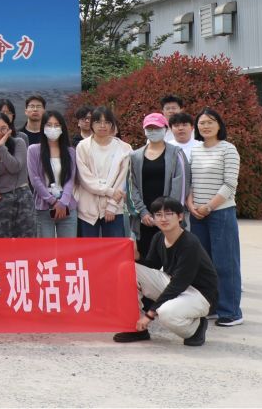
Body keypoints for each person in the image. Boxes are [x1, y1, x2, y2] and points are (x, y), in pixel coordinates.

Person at [114, 198, 218, 347]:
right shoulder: (159, 237)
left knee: (165, 313)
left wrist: (150, 315)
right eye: (158, 214)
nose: (163, 219)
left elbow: (179, 284)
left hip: (199, 294)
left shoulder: (190, 243)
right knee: (127, 268)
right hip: (174, 283)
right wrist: (136, 257)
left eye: (168, 214)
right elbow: (152, 266)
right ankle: (136, 328)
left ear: (180, 216)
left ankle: (196, 327)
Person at [179, 108, 242, 326]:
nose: (205, 126)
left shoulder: (228, 149)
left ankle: (231, 311)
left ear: (219, 125)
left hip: (221, 213)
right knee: (204, 264)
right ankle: (212, 306)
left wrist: (209, 206)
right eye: (202, 123)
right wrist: (190, 204)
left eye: (210, 122)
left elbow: (230, 184)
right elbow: (190, 181)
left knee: (226, 263)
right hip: (198, 214)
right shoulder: (195, 150)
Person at [125, 112, 191, 261]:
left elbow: (181, 185)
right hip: (145, 219)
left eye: (157, 128)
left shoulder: (176, 154)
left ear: (165, 129)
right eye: (150, 129)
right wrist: (143, 213)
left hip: (170, 218)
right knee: (146, 261)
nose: (153, 132)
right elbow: (131, 187)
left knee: (173, 260)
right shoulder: (135, 156)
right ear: (144, 130)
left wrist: (166, 214)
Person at [76, 108, 133, 238]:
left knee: (115, 247)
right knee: (89, 248)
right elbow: (85, 178)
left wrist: (112, 205)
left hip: (114, 207)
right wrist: (109, 191)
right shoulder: (83, 147)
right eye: (98, 122)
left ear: (112, 124)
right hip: (88, 208)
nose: (102, 126)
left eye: (107, 122)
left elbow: (123, 180)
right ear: (92, 124)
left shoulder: (124, 148)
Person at [26, 111, 79, 239]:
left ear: (62, 128)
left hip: (67, 207)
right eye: (49, 125)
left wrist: (63, 202)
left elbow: (70, 179)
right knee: (45, 249)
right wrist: (53, 201)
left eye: (56, 125)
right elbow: (35, 180)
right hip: (44, 207)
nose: (53, 128)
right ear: (43, 127)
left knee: (68, 248)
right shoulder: (33, 150)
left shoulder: (70, 152)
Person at [0, 113, 34, 238]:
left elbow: (15, 167)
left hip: (21, 196)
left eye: (3, 128)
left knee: (26, 239)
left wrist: (1, 147)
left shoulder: (19, 142)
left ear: (9, 129)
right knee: (2, 238)